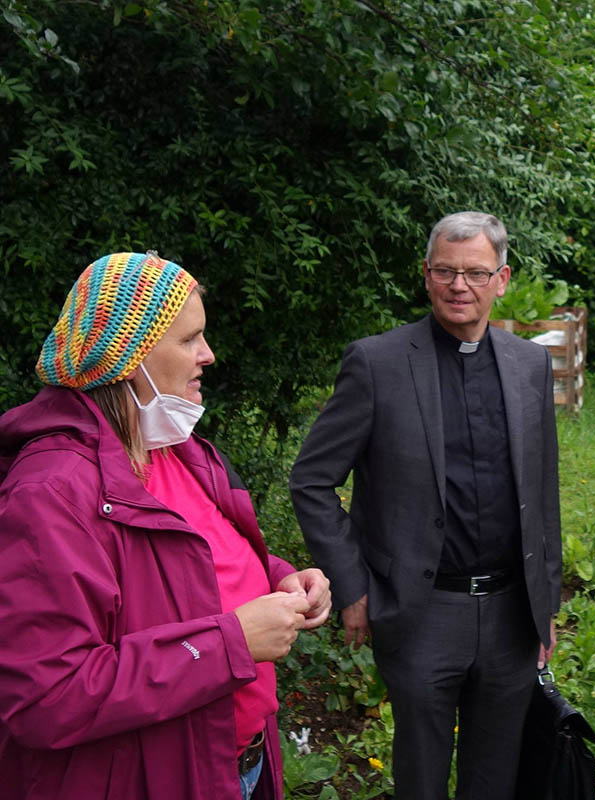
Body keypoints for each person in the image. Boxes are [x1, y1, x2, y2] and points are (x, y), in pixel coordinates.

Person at [0, 252, 331, 800]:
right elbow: (46, 698)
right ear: (127, 356)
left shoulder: (179, 451)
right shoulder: (51, 492)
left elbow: (189, 562)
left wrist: (279, 577)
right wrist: (231, 642)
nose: (208, 355)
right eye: (189, 339)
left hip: (232, 766)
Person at [290, 211, 561, 800]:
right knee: (420, 778)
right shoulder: (378, 363)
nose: (458, 285)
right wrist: (354, 586)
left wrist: (546, 603)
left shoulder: (530, 366)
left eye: (475, 273)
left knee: (496, 778)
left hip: (513, 615)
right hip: (421, 613)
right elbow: (312, 480)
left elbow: (543, 494)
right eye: (445, 271)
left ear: (502, 279)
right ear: (426, 274)